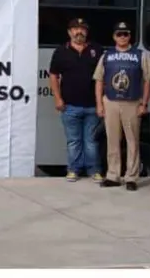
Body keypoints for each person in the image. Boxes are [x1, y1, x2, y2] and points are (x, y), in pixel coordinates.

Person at [94, 22, 150, 191]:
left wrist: (144, 103)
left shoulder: (140, 55)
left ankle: (131, 177)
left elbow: (148, 80)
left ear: (130, 36)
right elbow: (99, 80)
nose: (122, 37)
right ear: (114, 37)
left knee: (132, 141)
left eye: (125, 34)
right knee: (112, 140)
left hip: (132, 102)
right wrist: (99, 104)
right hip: (111, 101)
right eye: (119, 34)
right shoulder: (107, 55)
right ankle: (113, 175)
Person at [48, 18, 104, 183]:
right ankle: (73, 170)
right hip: (69, 106)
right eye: (75, 29)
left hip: (93, 106)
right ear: (69, 32)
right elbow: (53, 76)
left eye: (82, 29)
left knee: (91, 141)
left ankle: (94, 171)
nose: (79, 32)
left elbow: (104, 77)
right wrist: (58, 98)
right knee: (74, 141)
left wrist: (101, 102)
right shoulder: (61, 51)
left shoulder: (97, 50)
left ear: (87, 32)